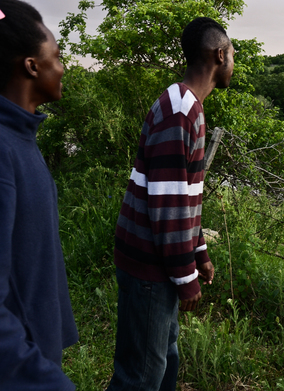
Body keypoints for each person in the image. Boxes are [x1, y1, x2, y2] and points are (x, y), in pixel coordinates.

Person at [107, 17, 234, 391]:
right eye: (232, 56)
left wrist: (200, 252)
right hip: (150, 266)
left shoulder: (188, 105)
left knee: (165, 357)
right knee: (140, 377)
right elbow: (166, 205)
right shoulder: (181, 110)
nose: (233, 64)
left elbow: (184, 195)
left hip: (157, 261)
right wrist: (185, 276)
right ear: (219, 54)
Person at [0, 0, 79, 389]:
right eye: (58, 55)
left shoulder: (20, 137)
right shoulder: (3, 149)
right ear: (32, 66)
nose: (63, 67)